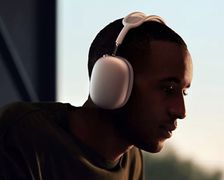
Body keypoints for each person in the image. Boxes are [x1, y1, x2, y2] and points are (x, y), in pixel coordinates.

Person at [0, 12, 193, 180]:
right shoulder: (22, 134)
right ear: (113, 81)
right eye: (168, 89)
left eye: (183, 92)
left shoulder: (132, 160)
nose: (181, 111)